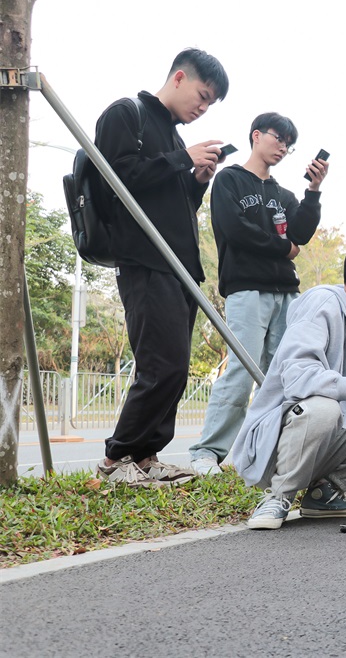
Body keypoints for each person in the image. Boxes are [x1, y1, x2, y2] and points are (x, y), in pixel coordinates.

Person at [95, 48, 230, 487]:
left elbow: (174, 206)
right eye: (202, 95)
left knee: (174, 367)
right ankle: (117, 460)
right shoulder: (125, 114)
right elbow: (118, 179)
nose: (202, 107)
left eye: (210, 103)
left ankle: (147, 456)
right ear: (178, 77)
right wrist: (181, 159)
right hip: (144, 261)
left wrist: (196, 182)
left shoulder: (174, 139)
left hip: (179, 267)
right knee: (161, 366)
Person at [230, 232, 346, 530]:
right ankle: (278, 495)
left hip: (327, 441)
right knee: (324, 408)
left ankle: (325, 492)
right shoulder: (322, 303)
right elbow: (298, 375)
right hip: (279, 442)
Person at [188, 112, 328, 476]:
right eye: (278, 138)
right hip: (246, 288)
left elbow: (300, 233)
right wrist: (283, 248)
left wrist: (312, 191)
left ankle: (267, 452)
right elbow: (235, 230)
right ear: (256, 136)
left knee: (283, 374)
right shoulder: (230, 180)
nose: (283, 147)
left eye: (288, 143)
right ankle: (207, 452)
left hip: (287, 292)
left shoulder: (283, 194)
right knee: (241, 368)